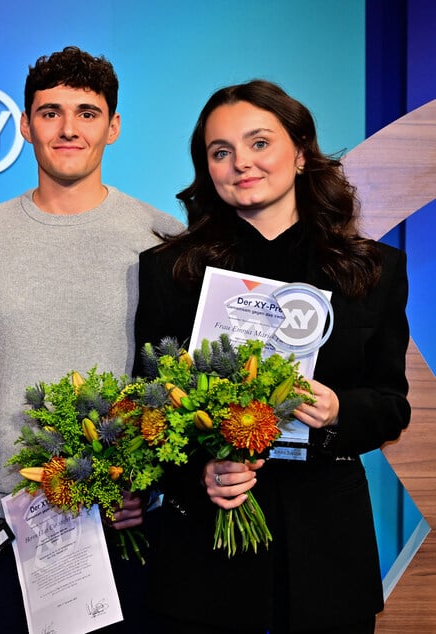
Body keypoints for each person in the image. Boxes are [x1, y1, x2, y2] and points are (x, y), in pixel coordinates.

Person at [134, 79, 410, 633]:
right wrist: (201, 472)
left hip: (328, 555)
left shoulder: (372, 270)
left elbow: (391, 404)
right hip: (205, 558)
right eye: (221, 152)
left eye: (259, 143)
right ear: (207, 170)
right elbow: (149, 407)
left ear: (301, 152)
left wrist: (336, 411)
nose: (242, 163)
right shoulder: (170, 271)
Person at [0, 46, 183, 633]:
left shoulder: (163, 239)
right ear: (24, 125)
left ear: (113, 127)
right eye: (50, 113)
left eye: (87, 112)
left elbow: (176, 384)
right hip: (3, 520)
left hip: (119, 519)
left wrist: (148, 487)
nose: (68, 129)